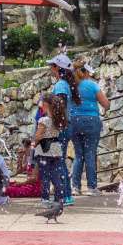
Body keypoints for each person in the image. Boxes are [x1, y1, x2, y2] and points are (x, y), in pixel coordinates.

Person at [70, 58, 111, 196]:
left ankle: (75, 187)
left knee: (78, 154)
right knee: (90, 154)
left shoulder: (71, 86)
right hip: (91, 121)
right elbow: (106, 104)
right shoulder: (92, 85)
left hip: (74, 121)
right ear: (85, 72)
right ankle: (92, 188)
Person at [46, 53, 79, 206]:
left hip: (62, 127)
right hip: (67, 125)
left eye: (52, 66)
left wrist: (55, 124)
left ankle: (64, 196)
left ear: (57, 68)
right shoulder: (66, 84)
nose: (50, 69)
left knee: (58, 162)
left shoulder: (60, 85)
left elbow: (60, 105)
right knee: (60, 160)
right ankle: (65, 195)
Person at [34, 93, 68, 207]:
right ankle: (59, 198)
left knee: (45, 176)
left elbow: (38, 136)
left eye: (41, 104)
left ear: (45, 105)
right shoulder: (58, 120)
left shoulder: (43, 120)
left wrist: (34, 143)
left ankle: (45, 199)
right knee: (56, 175)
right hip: (56, 149)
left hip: (44, 150)